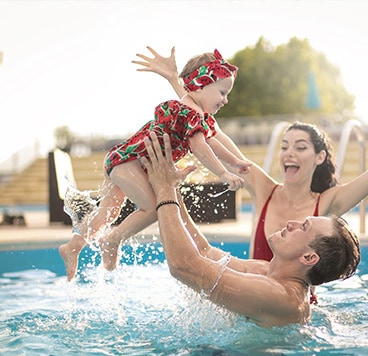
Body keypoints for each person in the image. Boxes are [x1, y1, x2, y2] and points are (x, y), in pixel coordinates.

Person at [132, 46, 368, 303]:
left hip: (271, 304)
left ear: (319, 157)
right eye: (285, 146)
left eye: (300, 147)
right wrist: (180, 82)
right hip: (244, 294)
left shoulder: (327, 207)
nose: (289, 153)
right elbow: (211, 130)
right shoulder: (265, 189)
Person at [59, 49, 251, 281]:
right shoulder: (188, 112)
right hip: (130, 162)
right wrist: (223, 173)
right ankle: (111, 240)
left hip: (123, 160)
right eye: (222, 92)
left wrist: (236, 162)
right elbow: (201, 148)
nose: (225, 99)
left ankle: (73, 246)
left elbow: (211, 142)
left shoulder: (196, 114)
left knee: (108, 212)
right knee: (153, 209)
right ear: (201, 85)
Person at [140, 131, 361, 328]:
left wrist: (164, 189)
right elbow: (204, 253)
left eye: (303, 227)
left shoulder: (279, 297)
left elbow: (184, 267)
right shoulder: (266, 271)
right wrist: (171, 186)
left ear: (309, 257)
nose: (291, 223)